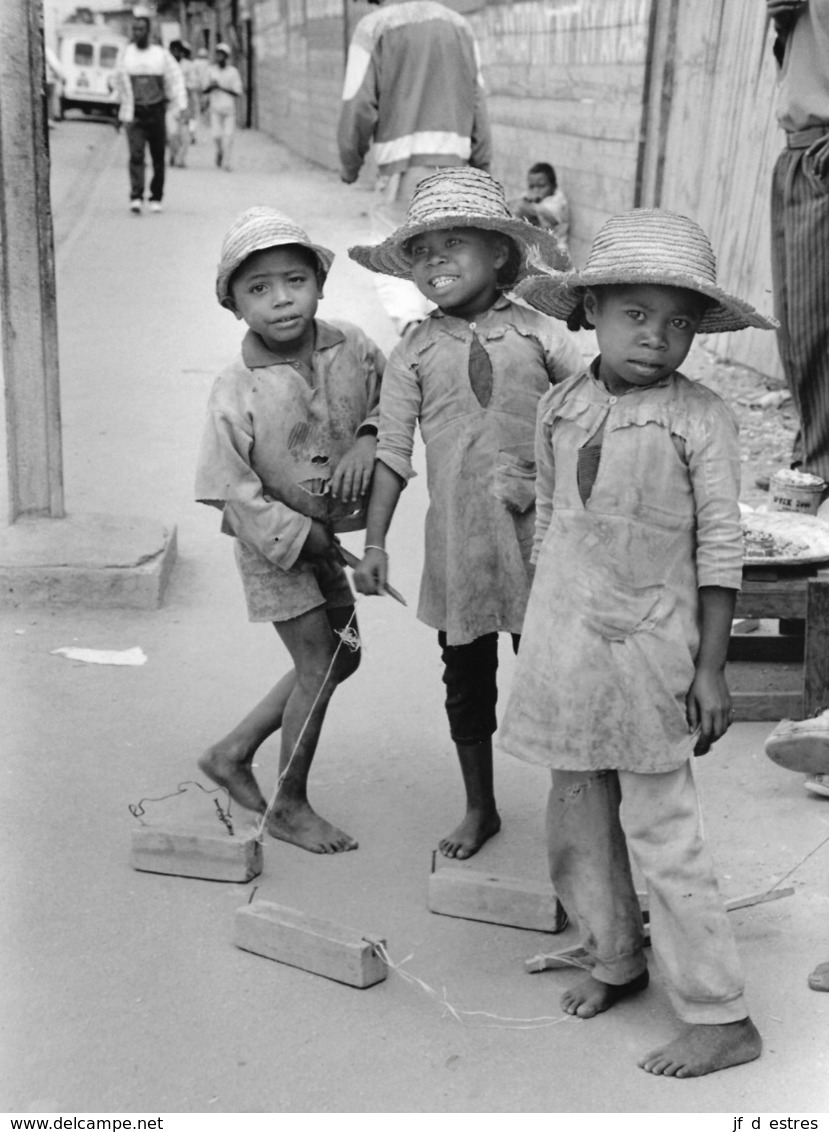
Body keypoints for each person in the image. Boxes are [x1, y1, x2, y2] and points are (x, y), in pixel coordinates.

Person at [498, 208, 777, 1077]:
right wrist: (537, 631)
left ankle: (718, 1012)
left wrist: (711, 667)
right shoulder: (559, 404)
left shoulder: (700, 420)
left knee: (663, 829)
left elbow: (719, 548)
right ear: (589, 313)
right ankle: (612, 953)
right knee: (576, 808)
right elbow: (550, 521)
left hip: (654, 650)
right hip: (564, 644)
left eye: (680, 321)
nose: (657, 337)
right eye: (636, 314)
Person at [350, 168, 581, 859]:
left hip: (544, 546)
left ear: (501, 254)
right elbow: (392, 451)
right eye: (421, 251)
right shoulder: (414, 350)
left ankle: (577, 812)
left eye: (454, 244)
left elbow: (589, 415)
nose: (435, 261)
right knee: (465, 680)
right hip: (460, 547)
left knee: (556, 677)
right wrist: (375, 543)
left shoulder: (541, 335)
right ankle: (479, 807)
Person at [195, 207, 385, 854]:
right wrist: (293, 534)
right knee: (318, 664)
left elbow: (397, 400)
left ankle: (230, 751)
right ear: (235, 306)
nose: (281, 299)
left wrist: (367, 435)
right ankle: (289, 804)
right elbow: (228, 486)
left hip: (325, 537)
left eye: (294, 280)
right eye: (258, 288)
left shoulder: (355, 348)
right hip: (272, 548)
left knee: (343, 655)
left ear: (319, 284)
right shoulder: (235, 388)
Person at [337, 0, 493, 335]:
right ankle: (454, 334)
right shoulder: (459, 26)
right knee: (451, 251)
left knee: (392, 249)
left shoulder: (373, 28)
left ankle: (412, 329)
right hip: (457, 168)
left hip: (402, 168)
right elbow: (478, 100)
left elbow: (359, 103)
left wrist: (350, 162)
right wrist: (481, 163)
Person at [768, 0, 829, 486]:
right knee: (795, 324)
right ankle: (812, 451)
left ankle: (821, 466)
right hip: (798, 151)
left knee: (819, 324)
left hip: (822, 150)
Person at [113, 10, 187, 214]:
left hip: (156, 111)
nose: (137, 33)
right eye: (134, 29)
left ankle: (156, 196)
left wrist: (181, 105)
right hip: (134, 112)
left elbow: (176, 78)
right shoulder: (126, 54)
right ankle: (136, 196)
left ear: (148, 31)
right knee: (136, 155)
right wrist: (116, 110)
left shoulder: (160, 54)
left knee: (157, 156)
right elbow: (117, 82)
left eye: (141, 29)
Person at [509, 162, 569, 254]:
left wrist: (526, 204)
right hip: (536, 250)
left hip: (556, 253)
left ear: (553, 186)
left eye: (541, 186)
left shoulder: (558, 201)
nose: (536, 190)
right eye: (531, 186)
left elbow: (540, 211)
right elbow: (513, 204)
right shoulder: (530, 197)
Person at [203, 43, 243, 171]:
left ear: (226, 57)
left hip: (229, 109)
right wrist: (212, 86)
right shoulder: (211, 70)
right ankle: (220, 151)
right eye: (217, 54)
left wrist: (221, 87)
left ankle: (226, 163)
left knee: (229, 136)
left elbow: (237, 92)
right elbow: (204, 89)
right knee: (216, 135)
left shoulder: (233, 72)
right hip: (215, 109)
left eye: (222, 55)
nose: (219, 57)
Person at [166, 41, 191, 167]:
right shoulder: (165, 66)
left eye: (178, 50)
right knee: (172, 134)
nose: (175, 53)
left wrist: (189, 107)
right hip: (170, 105)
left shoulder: (188, 66)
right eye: (173, 50)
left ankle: (180, 159)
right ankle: (173, 155)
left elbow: (193, 86)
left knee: (185, 136)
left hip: (184, 105)